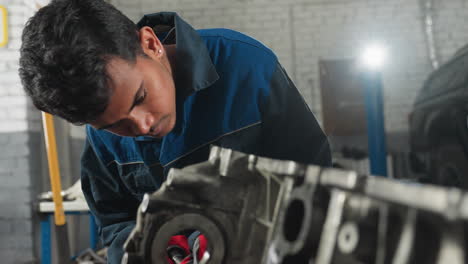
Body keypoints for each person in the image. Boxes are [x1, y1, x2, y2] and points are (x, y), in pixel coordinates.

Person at [19, 0, 331, 262]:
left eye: (139, 97)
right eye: (115, 124)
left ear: (151, 44)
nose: (142, 126)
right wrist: (154, 247)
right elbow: (115, 222)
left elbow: (314, 179)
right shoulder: (101, 136)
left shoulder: (247, 67)